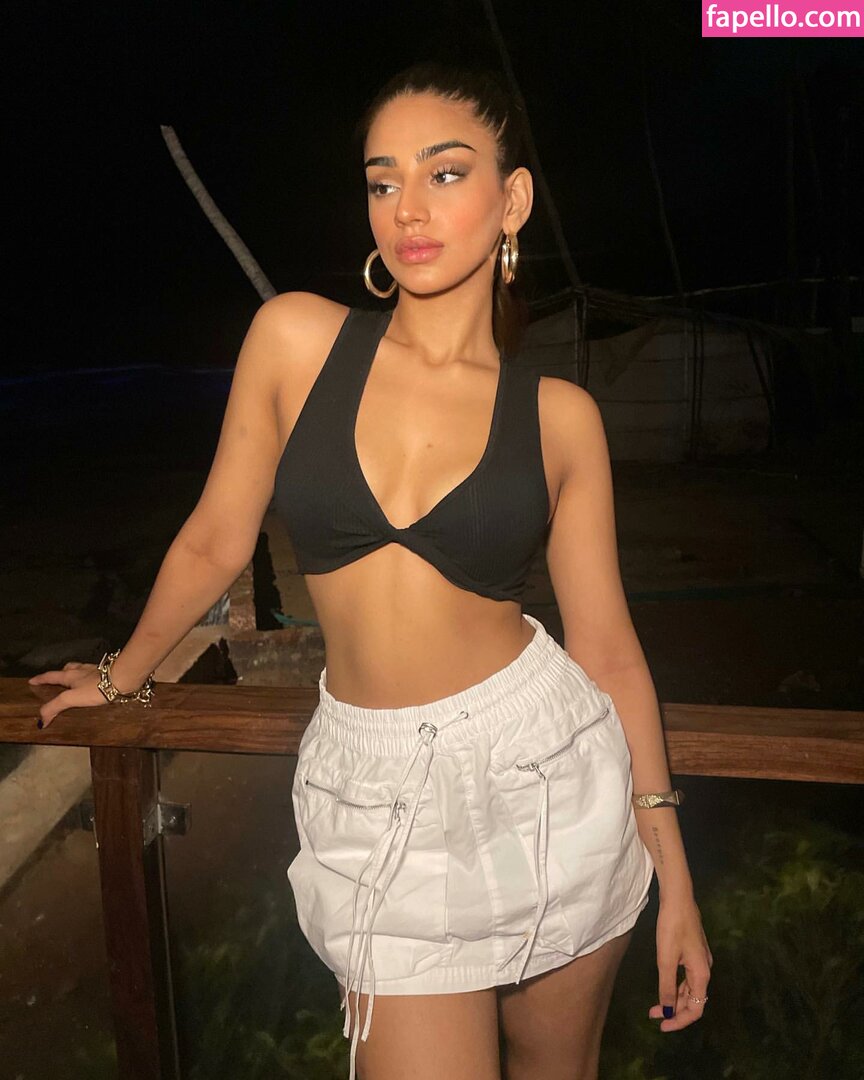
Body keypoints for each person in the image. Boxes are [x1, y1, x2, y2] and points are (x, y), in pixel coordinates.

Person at [30, 62, 712, 1080]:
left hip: (548, 780)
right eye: (383, 181)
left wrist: (676, 881)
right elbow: (215, 538)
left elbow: (608, 653)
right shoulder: (297, 341)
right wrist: (122, 675)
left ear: (513, 200)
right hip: (370, 784)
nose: (408, 209)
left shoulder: (559, 418)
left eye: (446, 173)